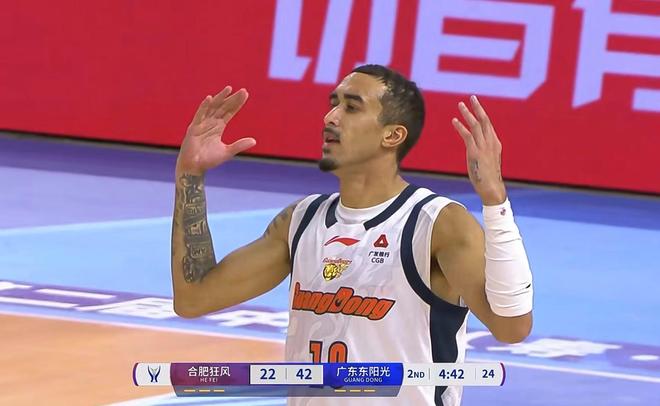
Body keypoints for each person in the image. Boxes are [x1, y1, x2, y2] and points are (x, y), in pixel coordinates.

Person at [171, 64, 533, 405]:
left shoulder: (436, 223)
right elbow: (193, 299)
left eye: (352, 107)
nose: (330, 117)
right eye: (334, 104)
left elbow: (512, 327)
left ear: (392, 135)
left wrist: (495, 203)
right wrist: (190, 175)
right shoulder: (302, 220)